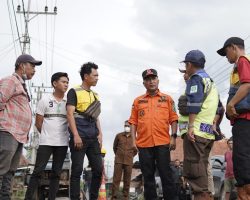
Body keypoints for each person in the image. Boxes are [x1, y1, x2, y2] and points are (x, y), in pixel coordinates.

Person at [129, 68, 178, 200]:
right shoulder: (137, 101)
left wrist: (173, 138)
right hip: (144, 145)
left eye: (153, 78)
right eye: (148, 79)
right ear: (144, 83)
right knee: (148, 178)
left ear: (158, 80)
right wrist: (133, 142)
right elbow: (133, 122)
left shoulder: (167, 99)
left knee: (166, 176)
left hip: (162, 143)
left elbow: (174, 119)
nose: (151, 81)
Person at [0, 54, 42, 199]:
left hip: (19, 135)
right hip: (8, 131)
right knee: (2, 167)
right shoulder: (11, 81)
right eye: (32, 66)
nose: (34, 70)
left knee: (11, 170)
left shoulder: (21, 85)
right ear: (22, 65)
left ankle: (5, 196)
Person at [179, 50, 219, 200]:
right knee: (202, 174)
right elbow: (218, 108)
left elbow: (194, 104)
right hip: (207, 133)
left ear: (189, 64)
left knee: (196, 177)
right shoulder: (211, 82)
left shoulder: (196, 79)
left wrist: (190, 126)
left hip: (196, 133)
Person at [24, 72, 69, 200]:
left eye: (67, 82)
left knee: (56, 173)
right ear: (55, 83)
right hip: (46, 142)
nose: (66, 84)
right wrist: (46, 134)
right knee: (37, 171)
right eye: (63, 82)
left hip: (62, 143)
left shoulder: (69, 102)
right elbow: (38, 123)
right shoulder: (44, 100)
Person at [217, 37, 250, 200]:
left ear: (233, 47)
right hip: (243, 119)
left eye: (226, 52)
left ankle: (245, 194)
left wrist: (231, 104)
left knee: (242, 158)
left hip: (244, 118)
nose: (226, 56)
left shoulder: (242, 60)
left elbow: (246, 84)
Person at [67, 62, 103, 200]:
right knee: (77, 170)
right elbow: (70, 114)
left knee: (98, 170)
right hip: (79, 135)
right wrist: (75, 135)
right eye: (95, 75)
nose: (97, 78)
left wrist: (100, 133)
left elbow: (96, 116)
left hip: (93, 136)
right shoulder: (74, 91)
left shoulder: (95, 95)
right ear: (86, 76)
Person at [111, 120, 137, 200]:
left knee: (127, 180)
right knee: (116, 180)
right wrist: (119, 155)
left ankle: (125, 197)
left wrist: (130, 156)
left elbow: (136, 150)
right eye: (125, 125)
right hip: (118, 160)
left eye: (128, 126)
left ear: (131, 127)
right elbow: (114, 147)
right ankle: (114, 197)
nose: (127, 127)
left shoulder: (134, 138)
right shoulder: (118, 136)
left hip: (129, 161)